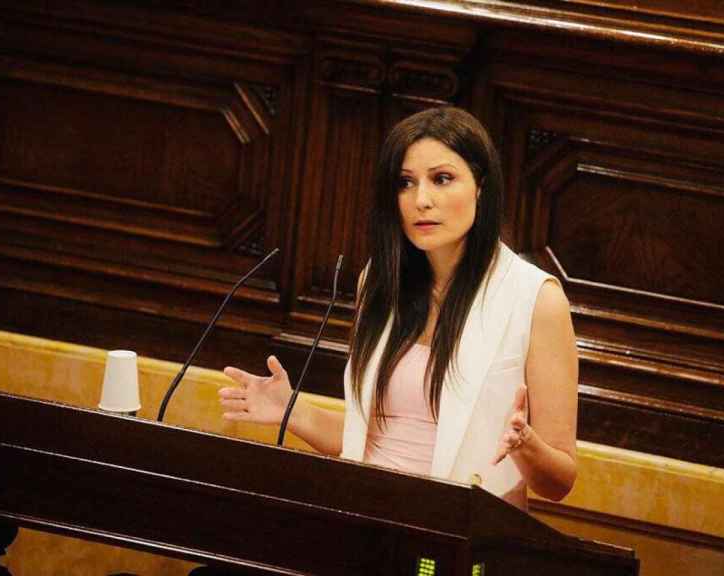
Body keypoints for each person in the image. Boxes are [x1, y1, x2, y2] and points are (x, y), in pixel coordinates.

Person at [218, 107, 578, 508]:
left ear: (481, 186)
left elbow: (559, 480)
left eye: (442, 179)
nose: (421, 200)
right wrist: (292, 410)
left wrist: (524, 445)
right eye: (406, 183)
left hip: (457, 536)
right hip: (367, 517)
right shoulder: (378, 281)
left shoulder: (535, 298)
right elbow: (371, 438)